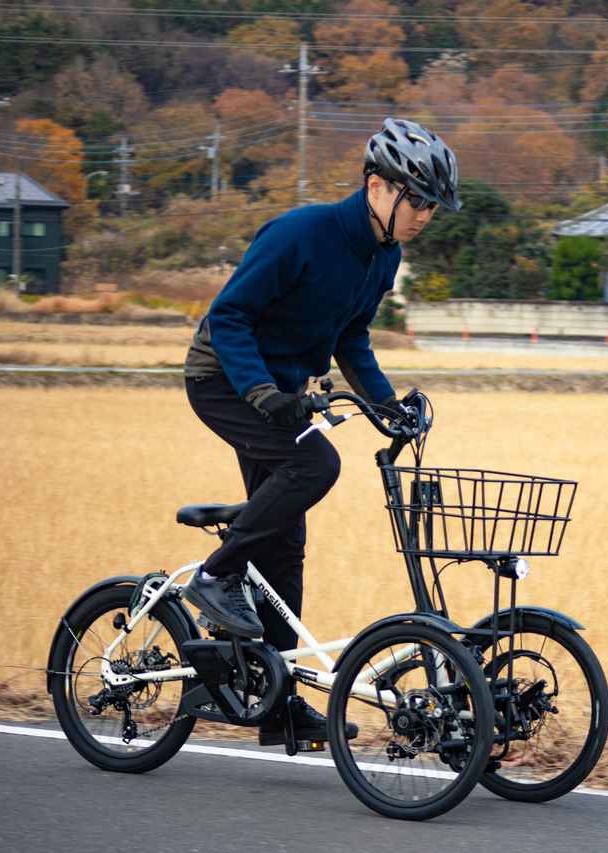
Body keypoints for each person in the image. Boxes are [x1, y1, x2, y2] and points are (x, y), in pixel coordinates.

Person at [181, 117, 460, 745]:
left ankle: (275, 705)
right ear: (376, 186)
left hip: (280, 395)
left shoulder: (383, 257)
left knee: (284, 544)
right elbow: (230, 317)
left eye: (432, 206)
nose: (424, 215)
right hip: (222, 380)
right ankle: (216, 575)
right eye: (417, 199)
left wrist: (388, 405)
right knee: (315, 465)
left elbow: (350, 338)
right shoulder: (299, 234)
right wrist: (261, 392)